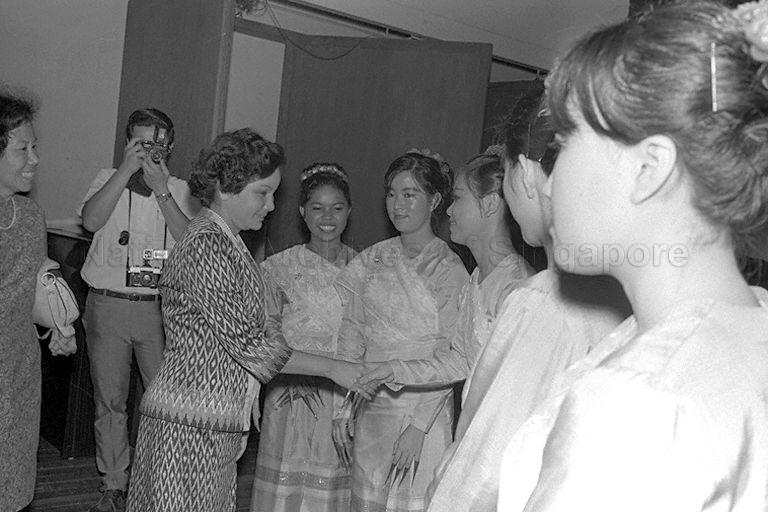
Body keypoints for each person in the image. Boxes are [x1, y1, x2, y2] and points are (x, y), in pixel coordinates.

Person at [498, 1, 768, 510]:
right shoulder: (749, 328)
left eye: (565, 140)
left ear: (650, 168)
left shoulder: (638, 404)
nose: (551, 182)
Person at [356, 87, 629, 511]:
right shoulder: (477, 277)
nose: (448, 210)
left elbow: (511, 420)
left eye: (458, 199)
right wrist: (389, 368)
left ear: (490, 203)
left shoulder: (520, 290)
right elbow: (461, 359)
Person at [126, 128, 371, 512]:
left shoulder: (229, 242)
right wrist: (333, 368)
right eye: (262, 192)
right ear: (226, 188)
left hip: (212, 423)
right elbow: (251, 346)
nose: (272, 205)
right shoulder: (207, 245)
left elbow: (259, 325)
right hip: (189, 424)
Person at [333, 150, 469, 511]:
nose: (397, 204)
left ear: (435, 200)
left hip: (422, 408)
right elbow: (352, 329)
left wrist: (419, 426)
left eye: (409, 194)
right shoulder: (372, 258)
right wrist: (342, 405)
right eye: (392, 194)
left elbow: (452, 352)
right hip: (372, 404)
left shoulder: (448, 268)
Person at [78, 108, 197, 511]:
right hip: (108, 305)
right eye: (141, 143)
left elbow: (189, 240)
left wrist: (160, 189)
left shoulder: (180, 189)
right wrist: (125, 172)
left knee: (160, 401)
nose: (149, 151)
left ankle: (156, 477)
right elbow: (91, 220)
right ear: (128, 142)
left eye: (157, 143)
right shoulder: (105, 178)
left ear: (171, 146)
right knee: (109, 401)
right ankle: (113, 483)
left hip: (159, 311)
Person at [250, 163, 357, 512]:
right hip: (288, 394)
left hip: (342, 396)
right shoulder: (276, 268)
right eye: (317, 207)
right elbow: (264, 338)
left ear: (349, 212)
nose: (328, 217)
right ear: (302, 212)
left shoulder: (366, 269)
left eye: (337, 208)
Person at [0, 89, 44, 512]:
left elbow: (30, 290)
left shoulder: (30, 218)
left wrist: (58, 322)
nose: (33, 158)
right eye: (21, 148)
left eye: (34, 147)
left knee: (13, 487)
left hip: (19, 371)